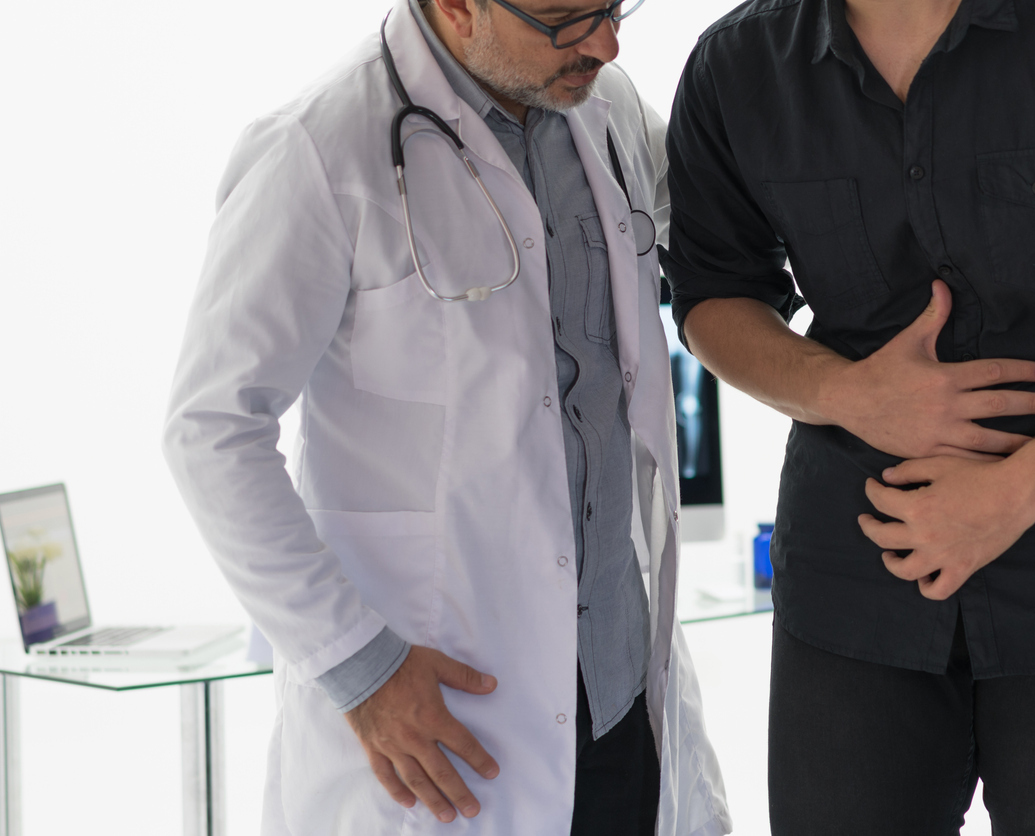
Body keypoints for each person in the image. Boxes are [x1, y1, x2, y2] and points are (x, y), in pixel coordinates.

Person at [663, 0, 1035, 833]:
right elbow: (712, 293)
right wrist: (844, 393)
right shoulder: (735, 62)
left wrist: (1017, 492)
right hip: (855, 584)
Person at [162, 0, 731, 833]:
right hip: (442, 730)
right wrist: (358, 668)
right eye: (570, 19)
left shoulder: (605, 113)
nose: (606, 44)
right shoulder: (320, 148)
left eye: (615, 6)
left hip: (618, 704)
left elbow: (729, 239)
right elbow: (210, 431)